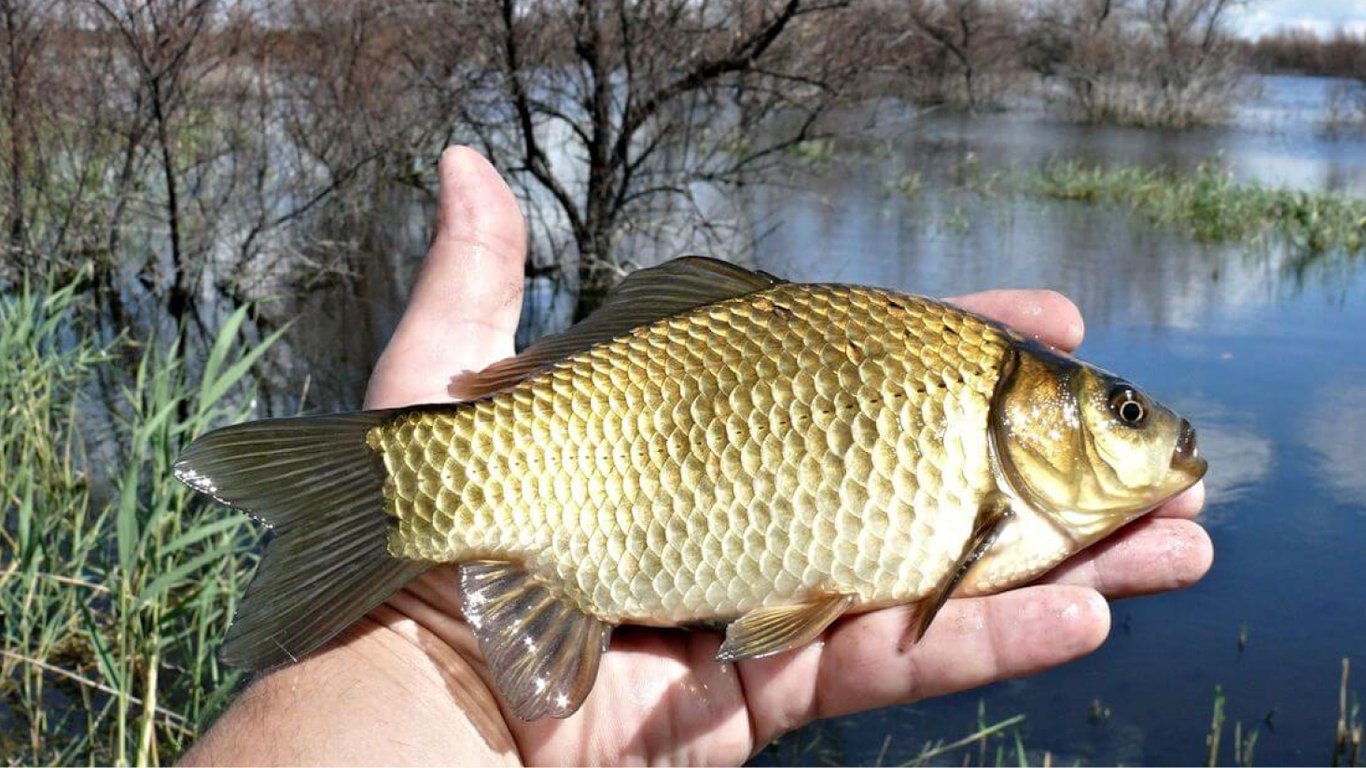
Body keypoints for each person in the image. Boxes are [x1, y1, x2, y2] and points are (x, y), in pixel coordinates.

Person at [181, 147, 1211, 766]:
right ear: (1032, 408)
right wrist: (427, 651)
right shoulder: (979, 433)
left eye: (1125, 413)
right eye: (1122, 412)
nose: (1152, 433)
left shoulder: (992, 456)